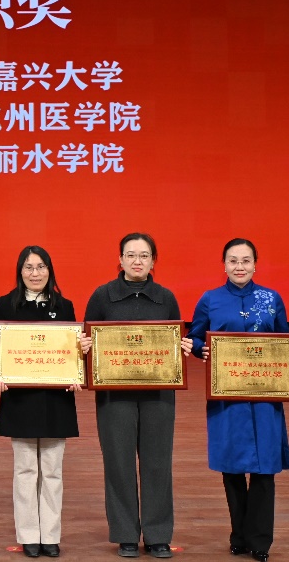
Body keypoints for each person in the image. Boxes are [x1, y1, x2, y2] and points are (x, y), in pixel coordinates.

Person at [185, 238, 289, 562]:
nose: (239, 266)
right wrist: (199, 349)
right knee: (232, 468)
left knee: (265, 468)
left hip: (265, 396)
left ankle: (260, 541)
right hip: (227, 396)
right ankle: (238, 535)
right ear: (224, 265)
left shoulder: (271, 298)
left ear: (255, 264)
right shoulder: (210, 300)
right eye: (233, 260)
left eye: (245, 260)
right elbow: (195, 337)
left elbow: (285, 344)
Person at [82, 233, 191, 560]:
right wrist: (85, 346)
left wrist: (182, 347)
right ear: (120, 260)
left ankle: (158, 534)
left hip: (159, 393)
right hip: (114, 395)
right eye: (130, 255)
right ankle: (125, 534)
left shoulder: (165, 298)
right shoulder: (102, 296)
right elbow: (86, 340)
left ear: (153, 261)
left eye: (144, 255)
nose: (137, 261)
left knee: (158, 463)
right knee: (118, 462)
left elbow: (175, 339)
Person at [0, 245, 79, 559]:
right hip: (21, 400)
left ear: (50, 271)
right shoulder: (5, 304)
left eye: (41, 267)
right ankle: (28, 535)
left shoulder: (64, 306)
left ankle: (51, 535)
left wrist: (76, 371)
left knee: (52, 471)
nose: (35, 273)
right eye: (28, 267)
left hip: (56, 400)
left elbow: (73, 350)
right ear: (20, 271)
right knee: (25, 469)